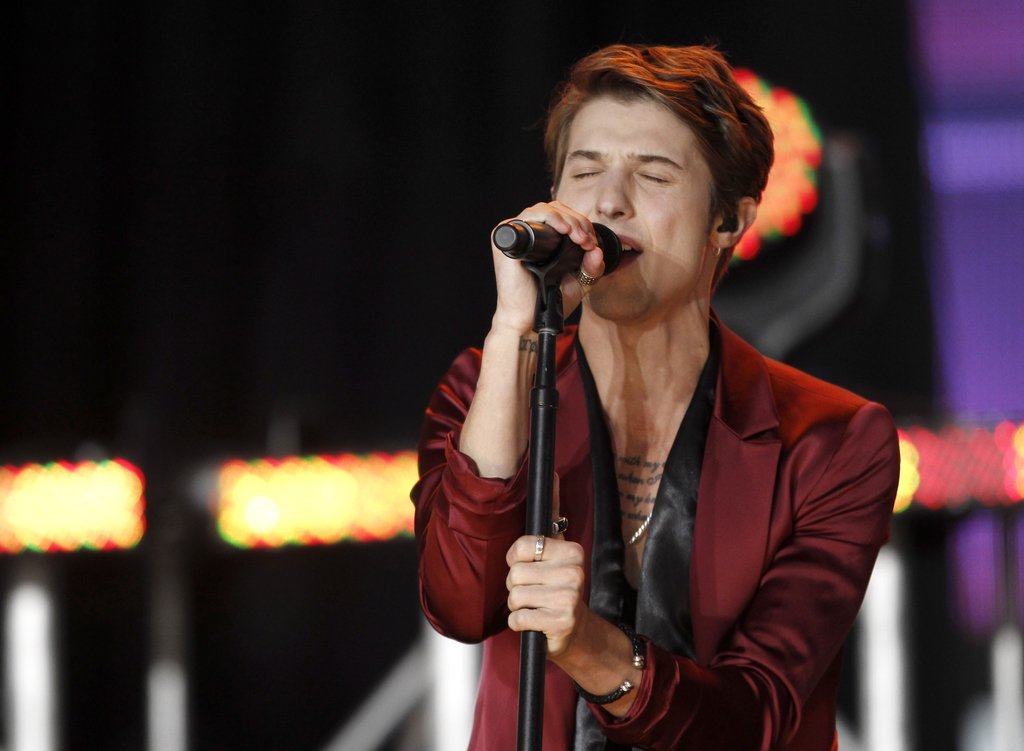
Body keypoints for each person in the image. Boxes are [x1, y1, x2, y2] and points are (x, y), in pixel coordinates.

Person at [412, 43, 900, 751]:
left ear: (728, 221)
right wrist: (515, 326)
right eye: (585, 171)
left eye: (654, 174)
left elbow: (758, 716)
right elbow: (461, 602)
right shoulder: (486, 383)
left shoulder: (832, 439)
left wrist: (587, 646)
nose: (609, 201)